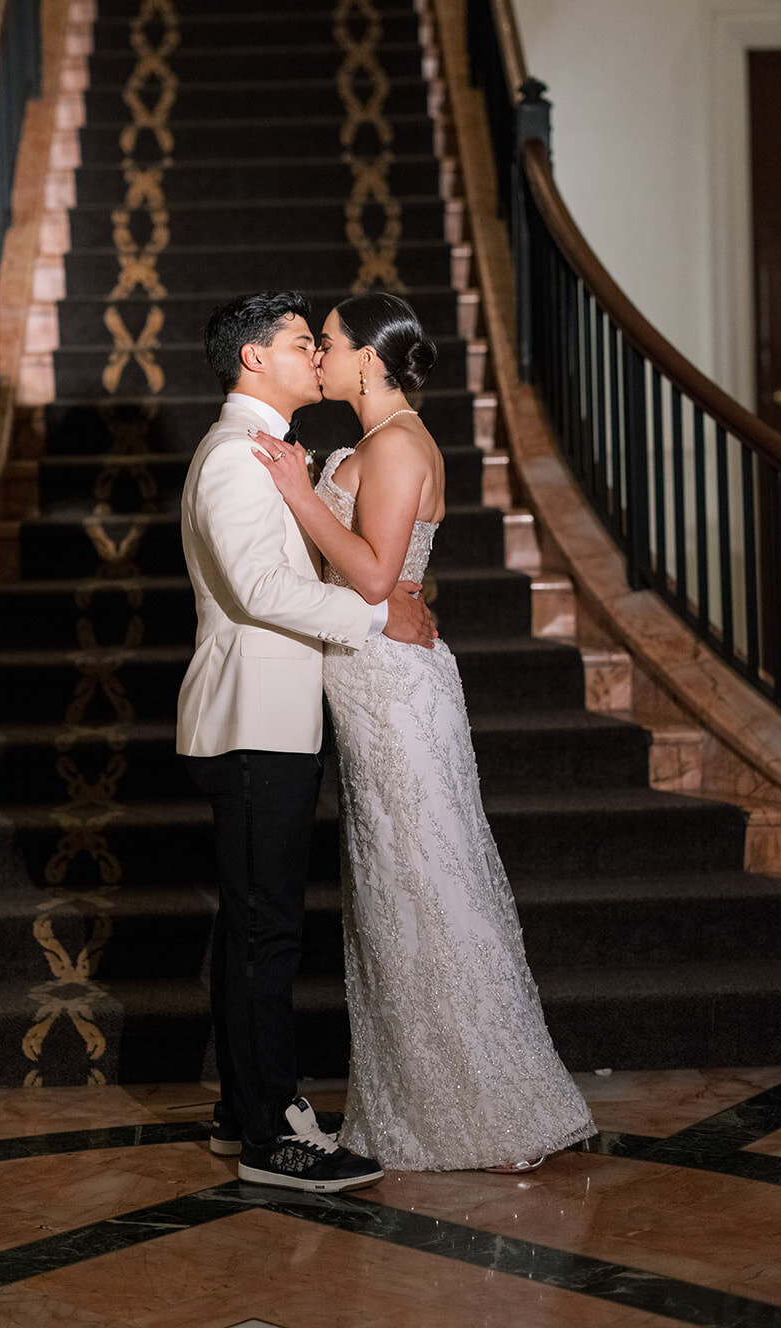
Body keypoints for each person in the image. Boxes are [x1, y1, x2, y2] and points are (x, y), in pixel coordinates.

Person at [253, 291, 595, 1173]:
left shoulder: (399, 443)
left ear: (368, 357)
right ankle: (417, 1097)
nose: (318, 356)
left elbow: (371, 578)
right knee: (391, 889)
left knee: (427, 881)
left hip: (397, 689)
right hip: (370, 679)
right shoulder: (373, 444)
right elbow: (379, 574)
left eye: (327, 344)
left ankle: (477, 1103)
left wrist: (297, 489)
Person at [177, 291, 438, 1193]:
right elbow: (258, 589)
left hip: (273, 718)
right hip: (252, 720)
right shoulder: (233, 458)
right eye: (299, 343)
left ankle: (238, 1110)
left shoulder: (266, 454)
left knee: (256, 924)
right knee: (267, 931)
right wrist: (374, 616)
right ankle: (271, 1135)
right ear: (254, 359)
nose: (313, 357)